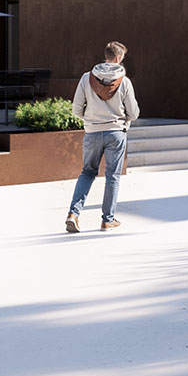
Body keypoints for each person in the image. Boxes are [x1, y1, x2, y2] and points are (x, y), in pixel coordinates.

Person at [66, 42, 140, 233]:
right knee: (112, 176)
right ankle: (107, 220)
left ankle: (73, 214)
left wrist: (91, 119)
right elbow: (133, 113)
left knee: (87, 172)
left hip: (92, 132)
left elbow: (76, 109)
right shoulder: (124, 81)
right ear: (118, 58)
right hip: (116, 133)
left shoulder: (86, 78)